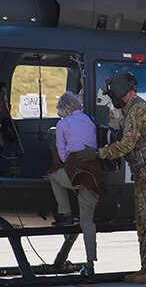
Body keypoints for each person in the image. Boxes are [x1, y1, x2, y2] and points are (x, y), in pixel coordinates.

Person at [77, 71, 146, 284]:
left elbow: (127, 144)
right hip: (142, 175)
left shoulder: (137, 110)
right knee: (142, 222)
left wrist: (99, 153)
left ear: (120, 93)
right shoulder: (133, 110)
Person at [46, 91, 103, 277]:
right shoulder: (88, 120)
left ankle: (66, 214)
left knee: (53, 177)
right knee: (88, 222)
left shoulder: (63, 124)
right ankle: (90, 264)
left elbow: (63, 155)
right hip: (94, 176)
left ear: (64, 108)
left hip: (75, 174)